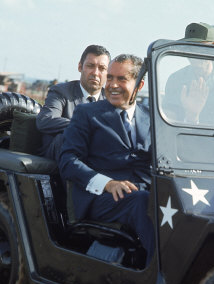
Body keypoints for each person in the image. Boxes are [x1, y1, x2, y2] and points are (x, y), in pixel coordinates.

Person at [59, 54, 154, 265]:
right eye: (109, 78)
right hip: (101, 198)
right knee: (142, 202)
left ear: (139, 84)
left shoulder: (152, 118)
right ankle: (159, 276)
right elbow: (68, 161)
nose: (112, 85)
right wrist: (108, 184)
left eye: (121, 79)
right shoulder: (88, 113)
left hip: (145, 192)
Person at [36, 45, 110, 161]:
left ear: (108, 73)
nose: (95, 73)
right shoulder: (61, 92)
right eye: (90, 66)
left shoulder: (110, 100)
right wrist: (84, 126)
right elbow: (45, 120)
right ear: (80, 67)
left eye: (102, 68)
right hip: (58, 157)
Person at [163, 22, 214, 124]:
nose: (193, 53)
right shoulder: (176, 80)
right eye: (189, 47)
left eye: (199, 47)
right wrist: (190, 115)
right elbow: (167, 122)